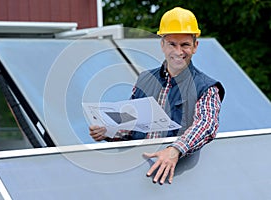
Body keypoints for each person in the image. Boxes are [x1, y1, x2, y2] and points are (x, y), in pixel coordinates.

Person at [89, 7, 225, 184]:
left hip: (178, 177)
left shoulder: (206, 87)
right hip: (139, 173)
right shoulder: (145, 79)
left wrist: (174, 150)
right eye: (172, 44)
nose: (178, 52)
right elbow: (132, 125)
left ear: (195, 46)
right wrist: (109, 131)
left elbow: (206, 125)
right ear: (162, 45)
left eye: (185, 45)